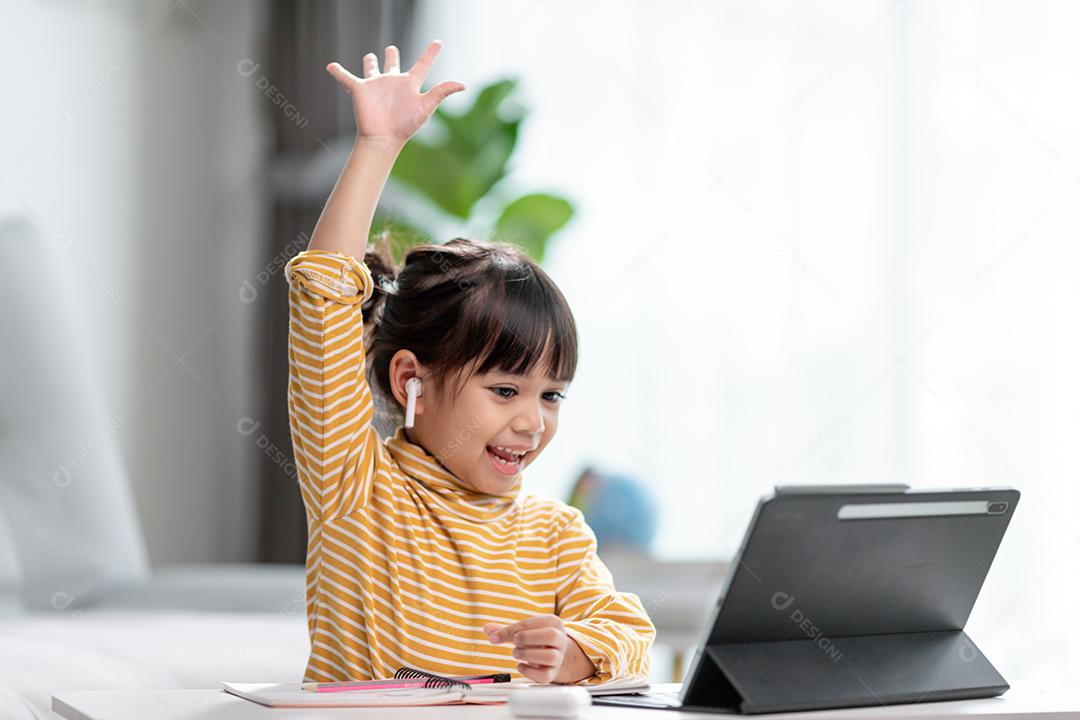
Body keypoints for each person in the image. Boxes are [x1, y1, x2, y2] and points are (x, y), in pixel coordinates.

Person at [284, 38, 655, 685]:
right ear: (412, 381)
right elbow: (322, 300)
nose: (532, 422)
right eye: (506, 389)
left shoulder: (556, 534)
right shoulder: (356, 486)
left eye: (551, 395)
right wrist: (377, 148)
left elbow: (631, 638)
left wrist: (578, 651)